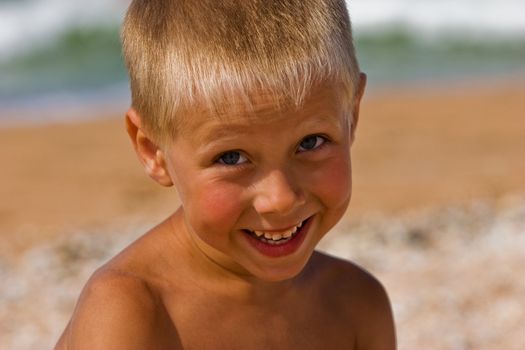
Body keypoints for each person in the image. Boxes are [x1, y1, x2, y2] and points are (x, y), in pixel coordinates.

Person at [55, 0, 396, 348]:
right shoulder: (130, 311)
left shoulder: (356, 305)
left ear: (351, 116)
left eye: (311, 142)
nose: (279, 199)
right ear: (153, 151)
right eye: (231, 158)